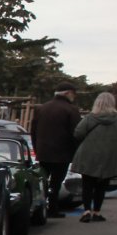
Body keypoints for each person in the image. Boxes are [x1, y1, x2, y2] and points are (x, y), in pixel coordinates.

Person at [32, 84, 81, 217]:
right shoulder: (71, 110)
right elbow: (76, 133)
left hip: (43, 152)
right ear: (68, 93)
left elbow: (33, 131)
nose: (74, 97)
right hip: (62, 153)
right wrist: (76, 151)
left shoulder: (41, 108)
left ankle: (41, 207)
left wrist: (37, 149)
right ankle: (53, 208)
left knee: (43, 181)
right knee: (56, 182)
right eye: (73, 94)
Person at [71, 91, 117, 222]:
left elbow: (78, 133)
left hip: (88, 154)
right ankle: (97, 212)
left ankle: (86, 211)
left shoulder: (90, 118)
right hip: (110, 156)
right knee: (102, 185)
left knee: (87, 184)